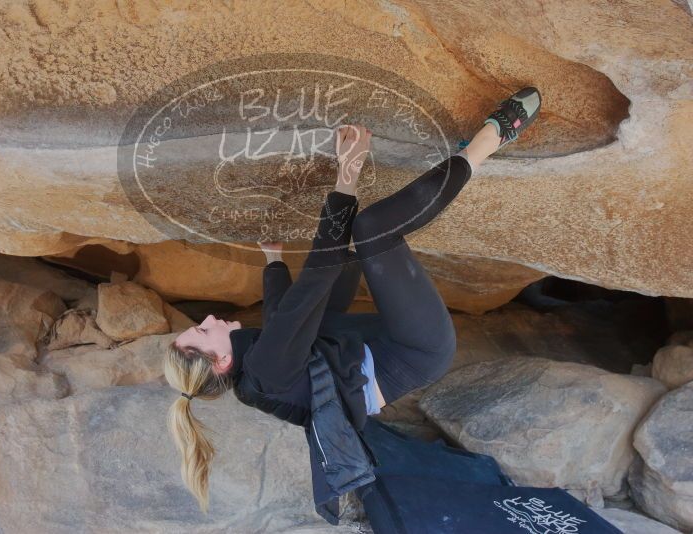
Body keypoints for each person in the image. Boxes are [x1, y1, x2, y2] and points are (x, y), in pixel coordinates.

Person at [164, 87, 542, 513]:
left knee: (338, 262)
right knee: (371, 229)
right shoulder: (265, 369)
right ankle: (487, 143)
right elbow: (310, 287)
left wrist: (272, 260)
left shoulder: (255, 374)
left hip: (371, 343)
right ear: (219, 361)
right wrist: (348, 174)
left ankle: (438, 177)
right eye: (202, 330)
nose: (209, 318)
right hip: (415, 350)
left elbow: (283, 318)